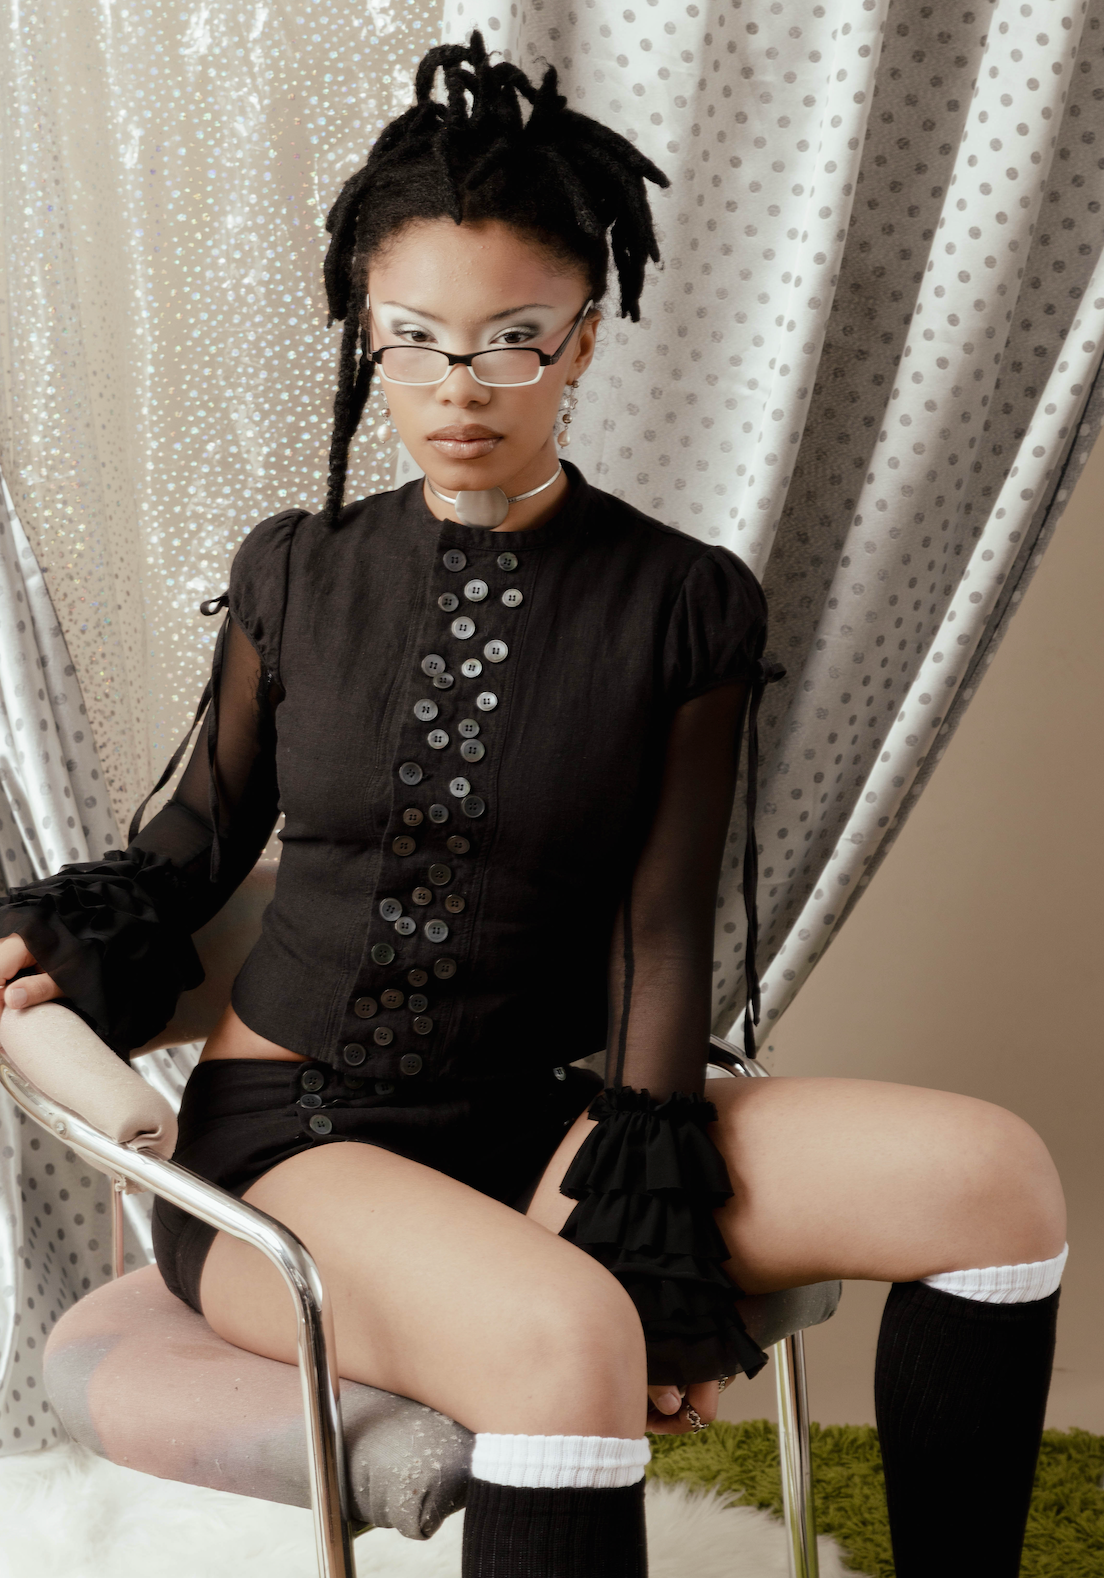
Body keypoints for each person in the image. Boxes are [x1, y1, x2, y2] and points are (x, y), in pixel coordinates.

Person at [0, 34, 1066, 1578]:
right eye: (416, 338)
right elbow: (192, 847)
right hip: (293, 1140)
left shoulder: (685, 602)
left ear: (582, 341)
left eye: (512, 339)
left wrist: (648, 1218)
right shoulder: (295, 573)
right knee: (565, 1337)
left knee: (993, 1176)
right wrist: (55, 936)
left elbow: (661, 930)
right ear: (365, 332)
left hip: (552, 1115)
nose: (459, 386)